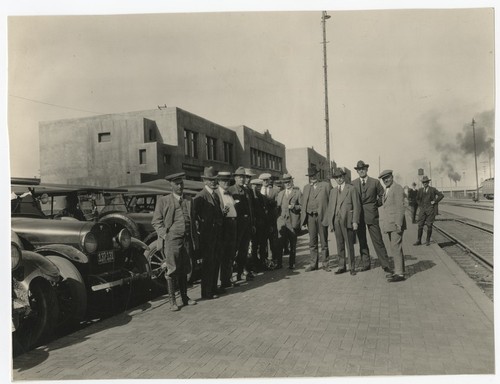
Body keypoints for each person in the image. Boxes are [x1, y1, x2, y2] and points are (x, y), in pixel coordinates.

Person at [151, 172, 197, 311]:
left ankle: (184, 297)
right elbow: (156, 221)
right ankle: (172, 301)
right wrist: (165, 235)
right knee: (172, 270)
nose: (179, 186)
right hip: (172, 240)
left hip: (186, 239)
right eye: (176, 184)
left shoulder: (189, 200)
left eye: (181, 183)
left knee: (185, 269)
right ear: (171, 185)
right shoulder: (163, 201)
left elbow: (192, 220)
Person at [351, 160, 392, 274]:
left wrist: (375, 205)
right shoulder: (352, 183)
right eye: (359, 169)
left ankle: (385, 264)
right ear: (357, 171)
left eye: (363, 168)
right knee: (362, 241)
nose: (361, 171)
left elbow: (382, 195)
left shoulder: (375, 182)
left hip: (372, 215)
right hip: (358, 215)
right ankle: (366, 263)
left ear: (367, 169)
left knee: (377, 240)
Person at [193, 166, 224, 300]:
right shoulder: (201, 196)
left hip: (216, 234)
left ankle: (213, 287)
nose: (213, 182)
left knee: (216, 261)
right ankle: (206, 292)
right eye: (210, 180)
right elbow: (194, 216)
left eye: (214, 180)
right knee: (208, 264)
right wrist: (201, 230)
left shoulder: (215, 195)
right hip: (207, 236)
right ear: (205, 181)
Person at [323, 168, 360, 276]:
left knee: (349, 244)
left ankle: (352, 267)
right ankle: (341, 266)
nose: (339, 179)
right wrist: (331, 223)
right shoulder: (333, 191)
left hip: (347, 220)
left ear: (344, 177)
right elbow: (330, 208)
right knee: (340, 245)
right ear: (335, 179)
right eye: (336, 177)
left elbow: (356, 206)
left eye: (340, 177)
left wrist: (355, 221)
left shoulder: (351, 189)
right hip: (336, 221)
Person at [300, 166, 332, 272]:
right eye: (310, 176)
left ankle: (325, 264)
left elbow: (332, 201)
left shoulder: (326, 186)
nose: (312, 177)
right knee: (312, 242)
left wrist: (329, 215)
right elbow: (303, 203)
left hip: (321, 216)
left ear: (317, 175)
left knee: (323, 242)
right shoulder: (306, 188)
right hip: (310, 217)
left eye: (314, 175)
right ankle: (313, 264)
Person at [378, 170, 407, 282]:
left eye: (388, 177)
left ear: (392, 177)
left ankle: (399, 274)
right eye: (384, 179)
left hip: (395, 224)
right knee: (395, 248)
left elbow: (400, 207)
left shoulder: (397, 188)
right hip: (390, 224)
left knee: (396, 248)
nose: (386, 180)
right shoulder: (388, 189)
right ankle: (398, 271)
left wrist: (399, 224)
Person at [229, 166, 256, 282]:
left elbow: (251, 209)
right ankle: (230, 275)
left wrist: (252, 224)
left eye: (243, 177)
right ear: (235, 178)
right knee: (233, 251)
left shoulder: (247, 191)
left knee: (244, 251)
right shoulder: (230, 191)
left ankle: (240, 273)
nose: (241, 179)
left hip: (247, 225)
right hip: (236, 227)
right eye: (239, 177)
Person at [214, 171, 239, 288]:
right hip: (224, 225)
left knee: (230, 253)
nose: (226, 183)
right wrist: (221, 213)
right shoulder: (216, 193)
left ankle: (227, 279)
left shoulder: (229, 193)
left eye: (227, 181)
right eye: (223, 181)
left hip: (233, 224)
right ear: (218, 181)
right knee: (223, 254)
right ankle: (223, 281)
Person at [275, 174, 302, 270]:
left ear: (292, 182)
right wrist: (278, 219)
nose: (287, 184)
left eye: (289, 182)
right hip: (282, 221)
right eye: (285, 182)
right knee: (280, 243)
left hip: (292, 222)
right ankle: (279, 263)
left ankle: (292, 263)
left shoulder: (297, 193)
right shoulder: (280, 194)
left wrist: (295, 207)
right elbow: (277, 207)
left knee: (293, 244)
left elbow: (302, 206)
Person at [413, 176, 444, 246]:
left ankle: (427, 240)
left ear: (428, 182)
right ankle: (419, 240)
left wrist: (435, 201)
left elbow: (441, 195)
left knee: (429, 225)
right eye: (423, 182)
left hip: (430, 210)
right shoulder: (420, 190)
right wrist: (420, 205)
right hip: (422, 210)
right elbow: (417, 199)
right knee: (420, 225)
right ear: (422, 183)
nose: (425, 183)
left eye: (426, 182)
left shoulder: (432, 189)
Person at [259, 173, 279, 267]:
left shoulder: (274, 191)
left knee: (272, 241)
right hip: (261, 221)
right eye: (263, 180)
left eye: (267, 180)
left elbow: (277, 205)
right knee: (262, 242)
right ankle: (263, 261)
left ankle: (273, 260)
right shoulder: (257, 190)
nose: (265, 182)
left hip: (271, 220)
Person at [249, 178, 267, 271]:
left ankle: (262, 262)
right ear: (252, 186)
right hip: (255, 225)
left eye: (259, 185)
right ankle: (255, 264)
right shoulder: (251, 197)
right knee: (255, 246)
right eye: (256, 185)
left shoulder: (262, 196)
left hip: (262, 225)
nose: (258, 187)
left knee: (262, 245)